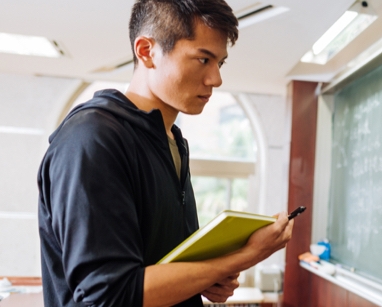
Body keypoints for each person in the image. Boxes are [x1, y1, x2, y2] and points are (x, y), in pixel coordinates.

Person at [37, 1, 293, 306]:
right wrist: (243, 257)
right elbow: (111, 295)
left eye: (219, 63)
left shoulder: (173, 141)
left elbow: (165, 266)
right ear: (147, 51)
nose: (216, 79)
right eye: (202, 59)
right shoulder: (91, 139)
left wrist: (208, 278)